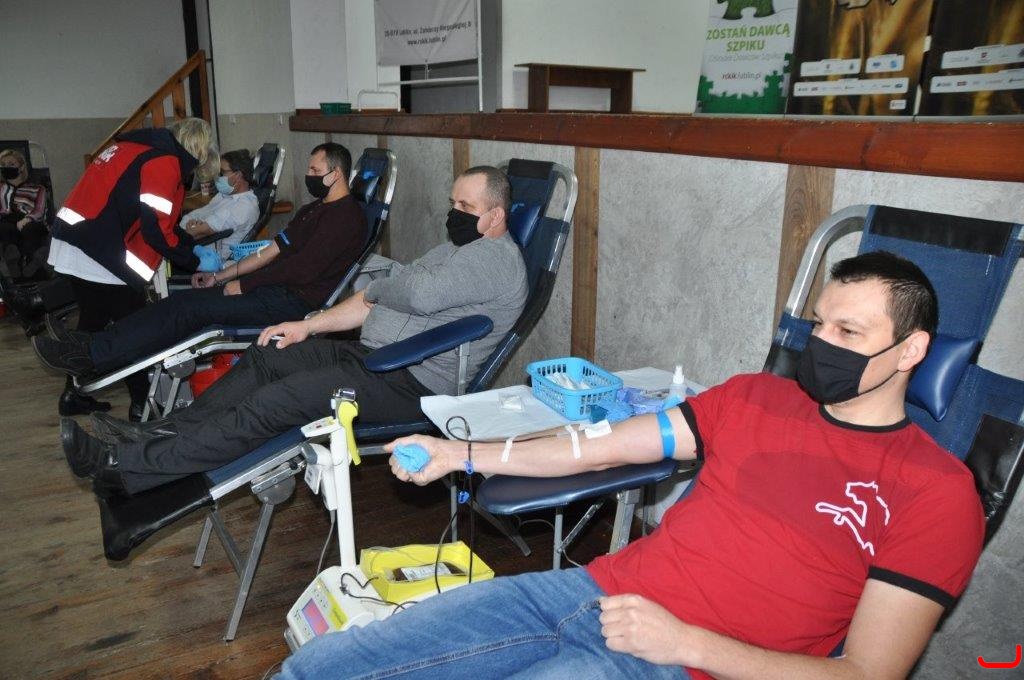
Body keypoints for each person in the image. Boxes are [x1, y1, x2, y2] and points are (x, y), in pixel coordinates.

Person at [274, 251, 985, 680]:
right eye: (819, 324)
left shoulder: (937, 492)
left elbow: (868, 672)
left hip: (691, 662)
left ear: (912, 350)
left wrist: (685, 641)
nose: (821, 344)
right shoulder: (755, 398)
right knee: (331, 664)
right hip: (593, 594)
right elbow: (603, 445)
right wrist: (458, 454)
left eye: (848, 332)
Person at [60, 166, 529, 497]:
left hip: (411, 384)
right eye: (452, 203)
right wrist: (307, 326)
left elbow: (412, 294)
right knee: (270, 352)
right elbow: (370, 301)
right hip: (371, 359)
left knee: (279, 400)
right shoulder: (453, 252)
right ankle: (153, 436)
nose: (454, 213)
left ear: (497, 215)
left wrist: (384, 285)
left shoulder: (495, 260)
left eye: (466, 206)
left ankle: (128, 468)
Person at [34, 143, 366, 392]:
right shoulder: (313, 211)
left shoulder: (347, 218)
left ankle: (91, 356)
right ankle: (90, 347)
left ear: (336, 173)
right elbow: (270, 252)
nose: (309, 176)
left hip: (292, 304)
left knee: (188, 311)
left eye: (314, 170)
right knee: (181, 302)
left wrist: (245, 285)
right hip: (270, 290)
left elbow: (303, 270)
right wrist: (221, 275)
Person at [40, 118, 217, 418]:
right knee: (135, 330)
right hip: (98, 250)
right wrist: (195, 260)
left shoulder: (135, 147)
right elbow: (156, 231)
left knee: (94, 322)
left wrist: (190, 247)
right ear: (198, 150)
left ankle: (74, 395)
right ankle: (142, 404)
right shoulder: (164, 161)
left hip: (78, 239)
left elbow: (160, 222)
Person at [179, 148, 259, 259]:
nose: (218, 177)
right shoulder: (225, 194)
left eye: (222, 172)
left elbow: (200, 232)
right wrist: (191, 224)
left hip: (206, 256)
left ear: (238, 175)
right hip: (189, 238)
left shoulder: (244, 207)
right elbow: (201, 215)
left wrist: (190, 228)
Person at [0, 148, 49, 280]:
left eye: (11, 164)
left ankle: (32, 262)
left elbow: (39, 210)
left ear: (21, 167)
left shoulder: (38, 188)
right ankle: (13, 258)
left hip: (32, 221)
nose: (6, 167)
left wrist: (27, 219)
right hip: (6, 220)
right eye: (3, 165)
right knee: (5, 228)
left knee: (30, 230)